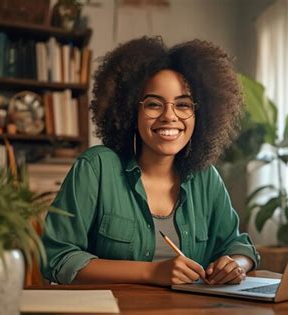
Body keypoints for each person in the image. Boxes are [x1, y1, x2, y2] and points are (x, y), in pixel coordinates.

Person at [41, 36, 260, 286]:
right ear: (130, 111)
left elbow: (238, 245)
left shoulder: (205, 177)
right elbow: (56, 257)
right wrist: (152, 273)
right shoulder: (96, 168)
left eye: (183, 105)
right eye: (154, 104)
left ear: (201, 114)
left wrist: (236, 266)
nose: (169, 116)